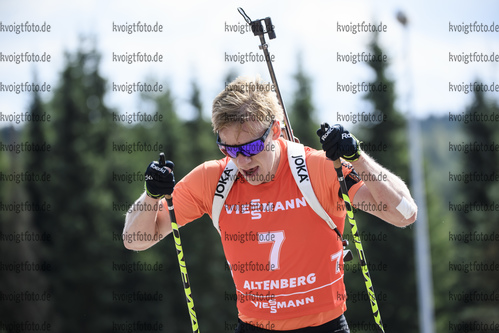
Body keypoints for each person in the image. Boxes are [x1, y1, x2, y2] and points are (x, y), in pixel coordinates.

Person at [123, 76, 417, 332]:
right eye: (229, 149)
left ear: (275, 131)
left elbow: (403, 213)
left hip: (324, 327)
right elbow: (135, 239)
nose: (242, 161)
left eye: (251, 147)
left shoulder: (315, 168)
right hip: (254, 327)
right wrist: (151, 195)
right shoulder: (214, 179)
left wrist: (356, 157)